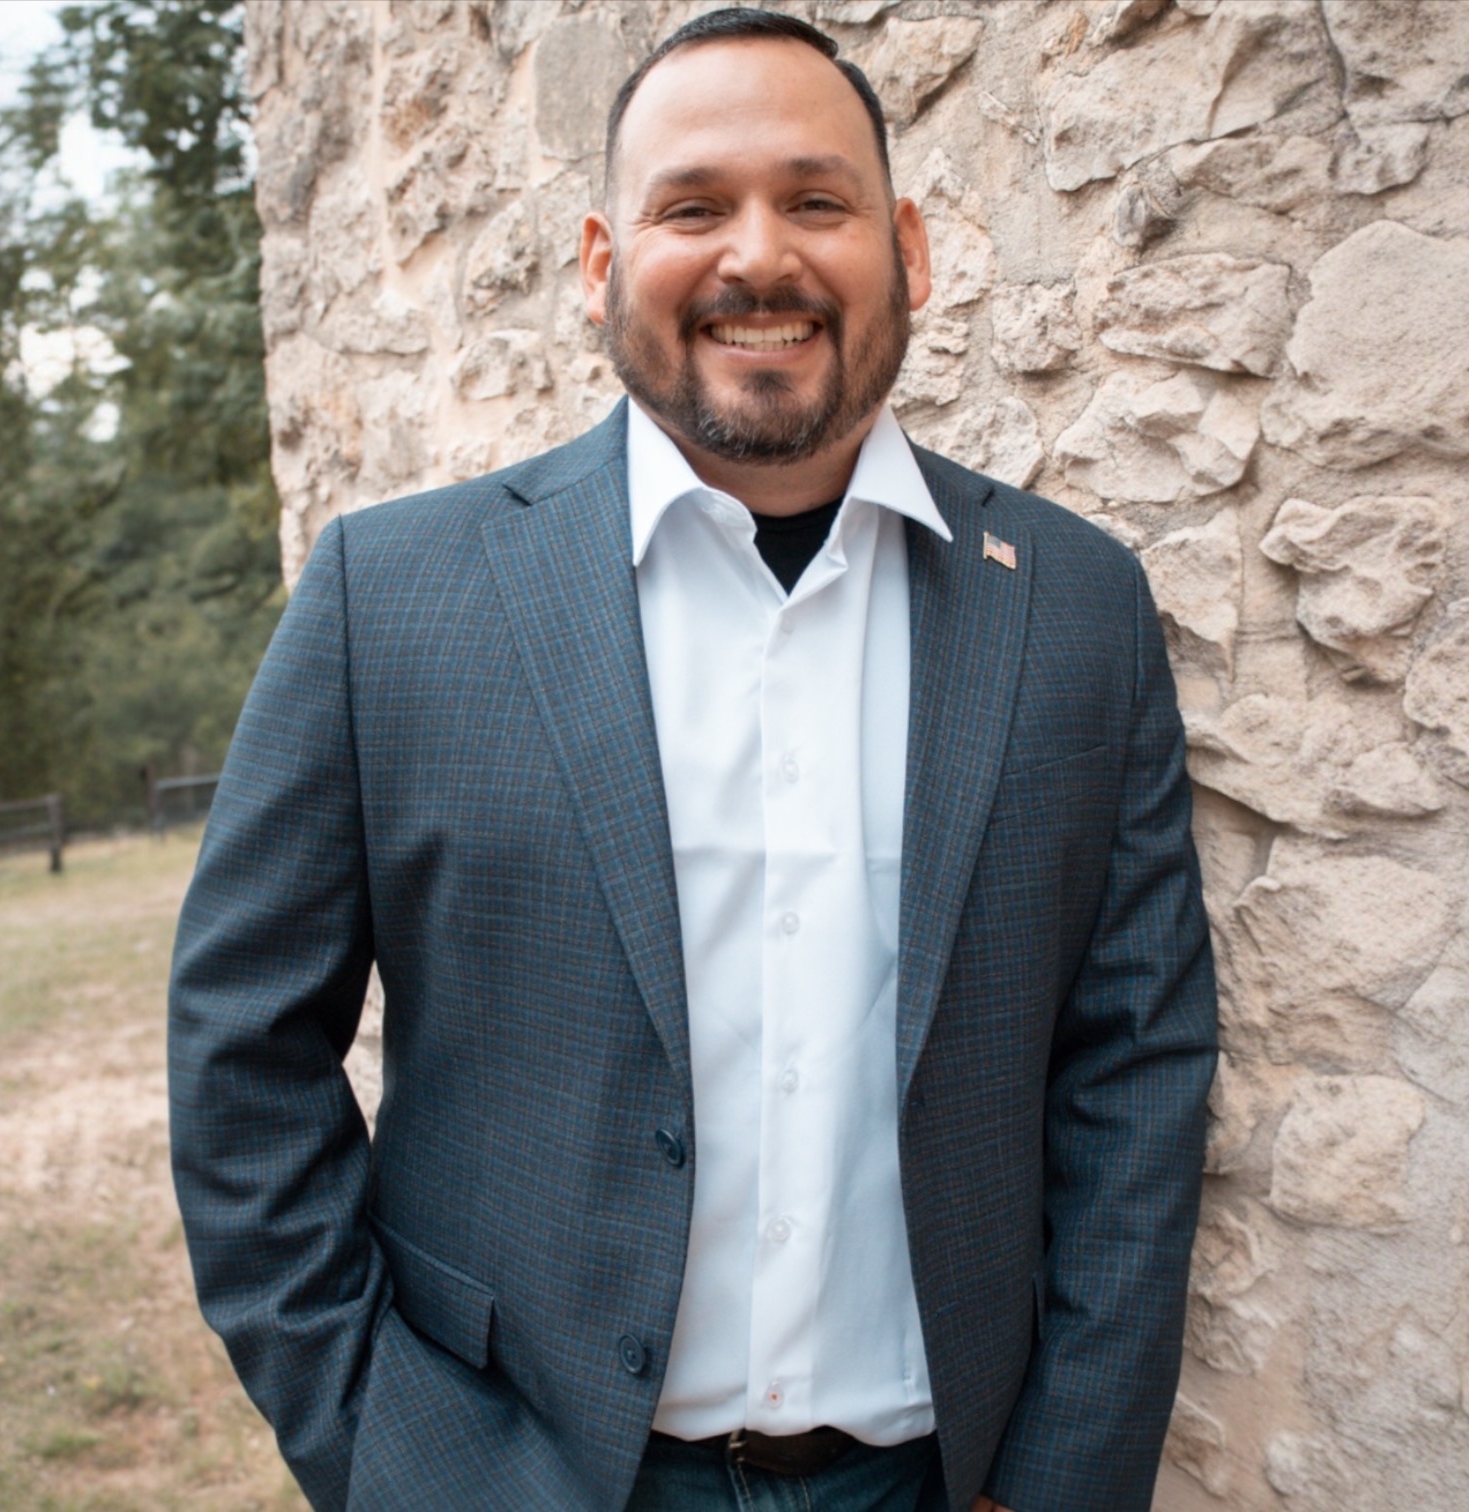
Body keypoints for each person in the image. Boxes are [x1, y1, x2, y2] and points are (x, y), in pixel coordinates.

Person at [168, 9, 1218, 1511]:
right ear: (602, 264)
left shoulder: (1072, 606)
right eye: (692, 206)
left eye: (815, 199)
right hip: (521, 1472)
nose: (758, 256)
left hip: (936, 1481)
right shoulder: (385, 599)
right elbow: (240, 1053)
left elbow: (1140, 1063)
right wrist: (391, 1452)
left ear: (907, 250)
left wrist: (1062, 1478)